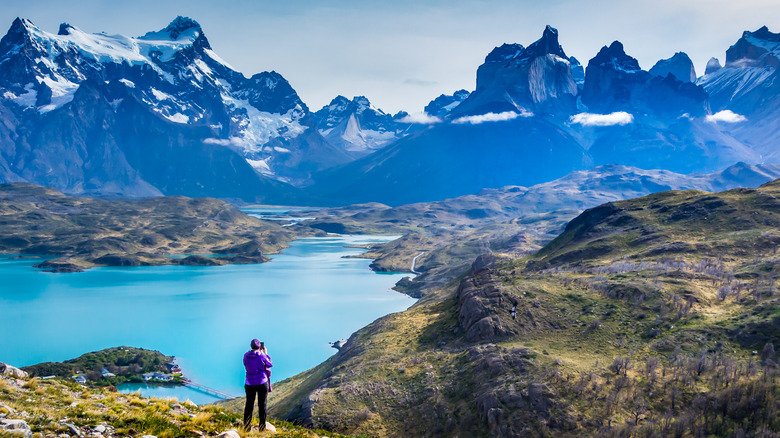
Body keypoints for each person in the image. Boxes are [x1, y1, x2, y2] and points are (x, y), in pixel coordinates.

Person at [243, 338, 273, 430]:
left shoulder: (246, 355)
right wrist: (265, 353)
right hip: (262, 383)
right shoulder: (262, 356)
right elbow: (270, 364)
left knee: (249, 405)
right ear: (260, 347)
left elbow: (245, 364)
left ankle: (246, 428)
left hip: (249, 383)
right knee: (262, 405)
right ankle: (262, 428)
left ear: (251, 346)